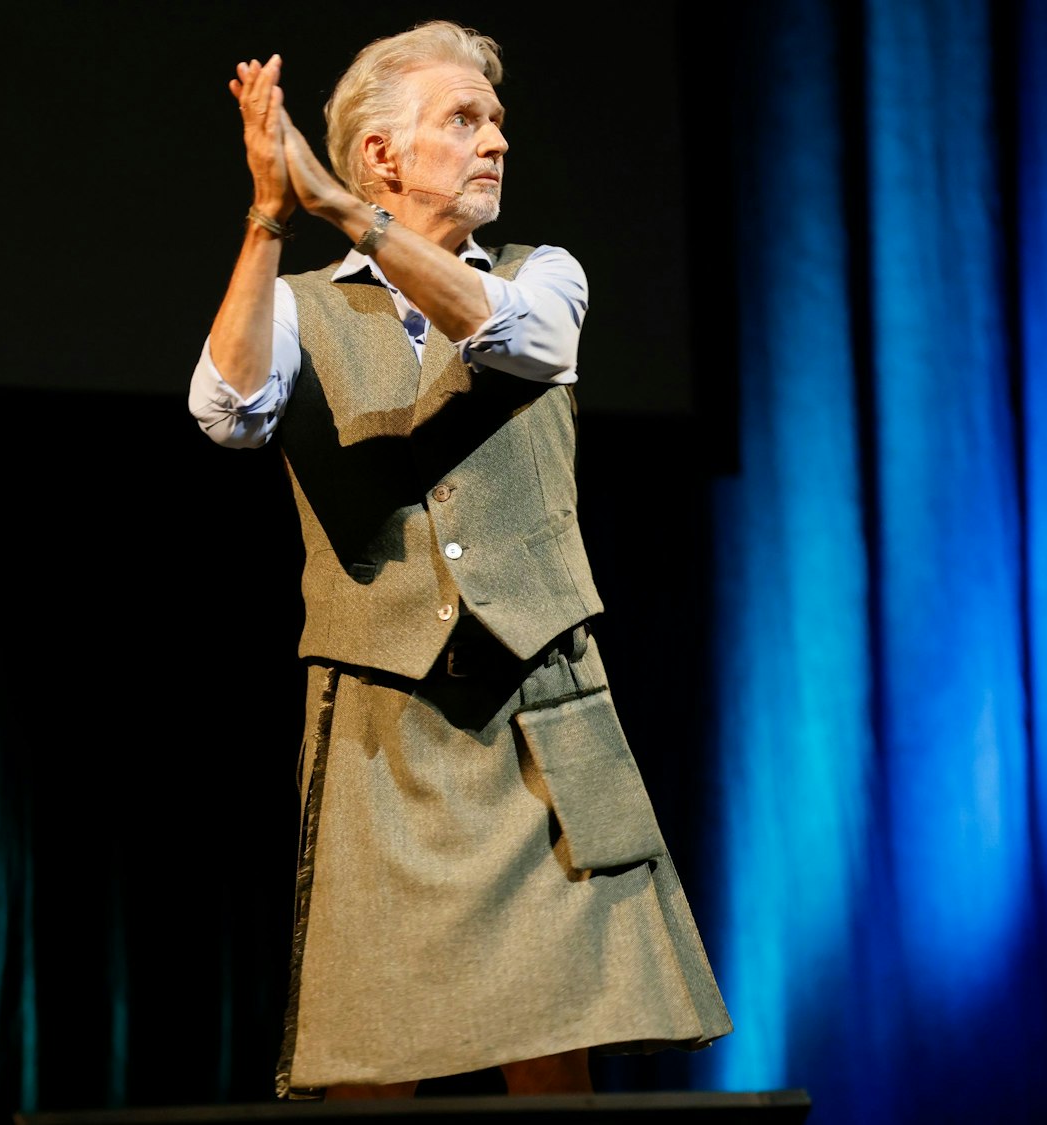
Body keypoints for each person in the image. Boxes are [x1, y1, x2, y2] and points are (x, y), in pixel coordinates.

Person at [187, 21, 732, 1101]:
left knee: (555, 1042)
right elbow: (226, 411)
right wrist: (268, 216)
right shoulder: (296, 308)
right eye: (463, 120)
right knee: (372, 1054)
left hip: (540, 706)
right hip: (382, 727)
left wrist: (344, 214)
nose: (495, 143)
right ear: (384, 153)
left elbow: (519, 346)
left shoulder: (542, 276)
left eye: (495, 122)